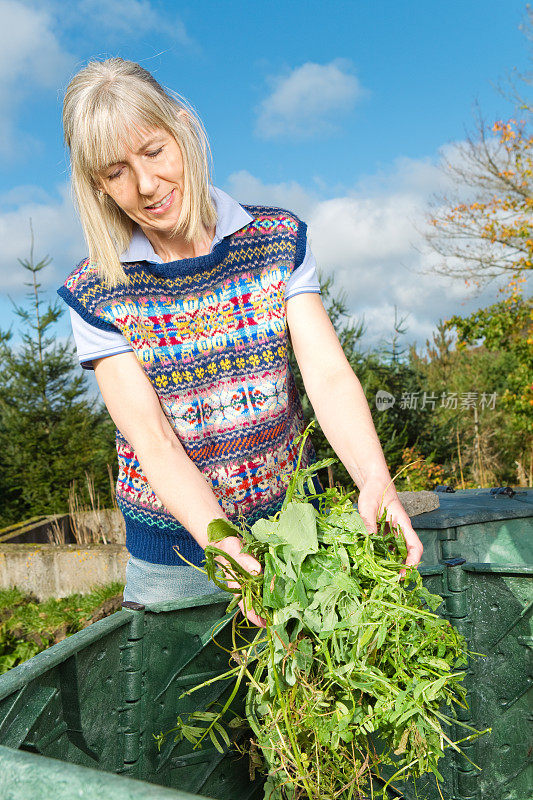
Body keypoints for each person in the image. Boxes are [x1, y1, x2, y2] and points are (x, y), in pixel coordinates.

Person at [58, 58, 423, 622]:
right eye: (116, 172)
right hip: (174, 561)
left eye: (154, 152)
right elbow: (152, 439)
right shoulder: (98, 291)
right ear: (98, 186)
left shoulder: (277, 241)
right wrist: (221, 541)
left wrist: (375, 478)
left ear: (182, 128)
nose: (147, 185)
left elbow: (325, 374)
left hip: (294, 536)